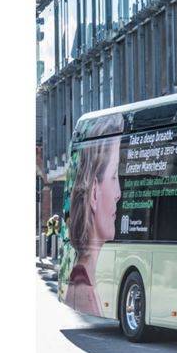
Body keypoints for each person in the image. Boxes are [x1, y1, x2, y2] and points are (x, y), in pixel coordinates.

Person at [65, 114, 124, 317]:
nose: (119, 193)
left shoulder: (84, 276)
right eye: (114, 176)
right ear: (94, 194)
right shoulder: (83, 284)